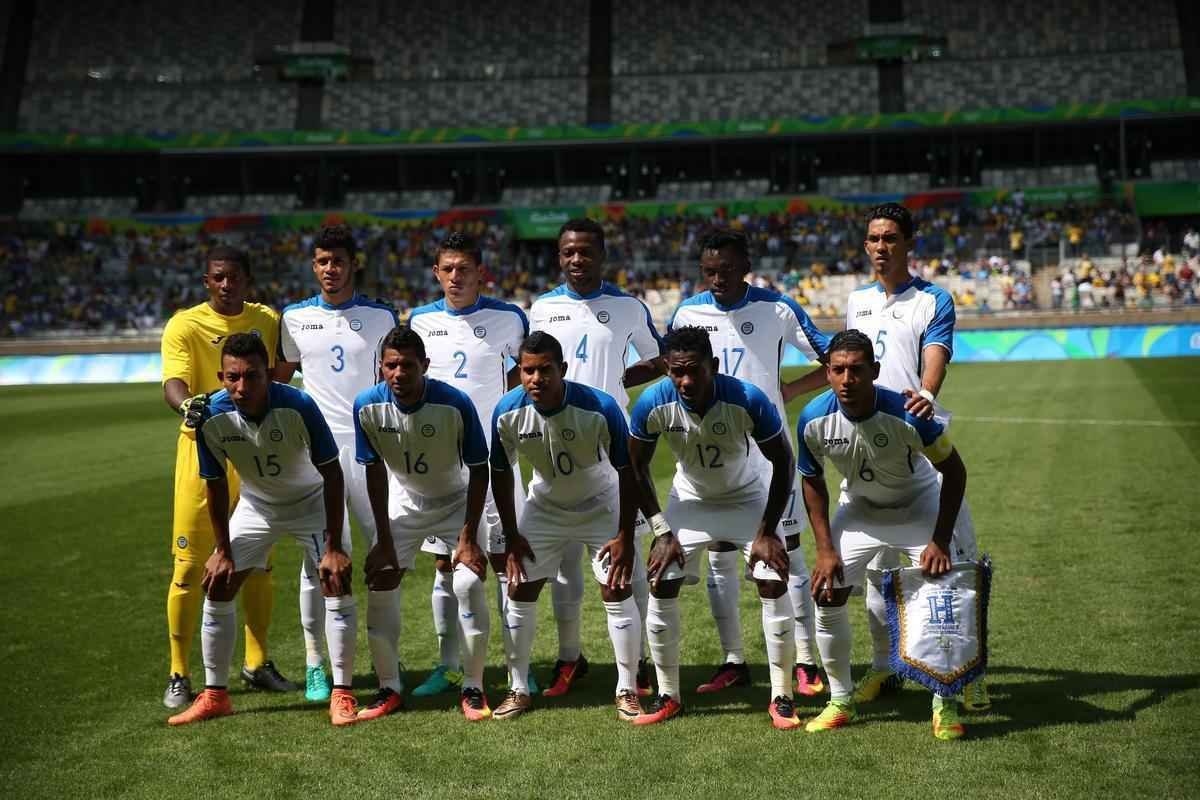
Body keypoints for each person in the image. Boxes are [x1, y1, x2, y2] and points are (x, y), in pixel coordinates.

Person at [668, 228, 829, 697]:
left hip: (768, 454)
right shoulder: (688, 313)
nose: (718, 278)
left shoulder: (778, 309)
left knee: (786, 553)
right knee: (720, 556)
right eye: (709, 271)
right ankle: (733, 660)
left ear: (746, 267)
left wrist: (791, 389)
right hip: (714, 457)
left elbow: (831, 355)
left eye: (726, 269)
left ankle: (805, 662)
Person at [167, 333, 358, 726]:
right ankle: (215, 696)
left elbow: (332, 473)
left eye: (252, 376)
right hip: (257, 506)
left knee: (335, 579)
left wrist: (333, 546)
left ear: (268, 375)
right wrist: (222, 550)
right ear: (221, 377)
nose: (242, 386)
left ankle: (342, 693)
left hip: (312, 502)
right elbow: (215, 484)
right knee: (218, 583)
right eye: (232, 377)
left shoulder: (299, 405)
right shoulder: (210, 416)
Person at [796, 330, 974, 740]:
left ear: (874, 371)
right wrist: (824, 548)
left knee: (940, 595)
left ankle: (944, 702)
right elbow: (812, 481)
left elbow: (955, 472)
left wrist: (940, 540)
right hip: (860, 512)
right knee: (827, 590)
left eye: (856, 370)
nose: (847, 379)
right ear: (827, 373)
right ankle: (840, 700)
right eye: (838, 370)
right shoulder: (813, 418)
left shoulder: (909, 414)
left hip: (917, 507)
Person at [845, 202, 987, 712]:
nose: (880, 247)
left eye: (890, 238)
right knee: (875, 574)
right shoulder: (857, 301)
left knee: (954, 565)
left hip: (920, 445)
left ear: (909, 243)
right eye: (873, 238)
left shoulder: (933, 299)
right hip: (867, 448)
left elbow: (936, 353)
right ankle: (885, 667)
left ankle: (969, 674)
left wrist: (926, 393)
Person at [628, 326, 803, 729]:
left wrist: (766, 533)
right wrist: (662, 532)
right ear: (667, 369)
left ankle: (782, 696)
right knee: (662, 579)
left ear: (715, 366)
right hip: (690, 501)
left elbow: (783, 461)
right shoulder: (653, 401)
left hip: (745, 498)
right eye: (677, 371)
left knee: (772, 577)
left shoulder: (747, 398)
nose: (686, 381)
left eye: (695, 370)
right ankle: (668, 695)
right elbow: (635, 466)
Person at [527, 218, 663, 698]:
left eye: (586, 251)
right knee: (564, 565)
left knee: (628, 558)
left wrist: (622, 379)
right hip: (553, 443)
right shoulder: (542, 308)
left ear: (602, 255)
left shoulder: (628, 307)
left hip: (612, 445)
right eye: (568, 252)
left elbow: (660, 357)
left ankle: (639, 663)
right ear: (559, 257)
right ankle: (570, 658)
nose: (577, 259)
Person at [159, 245, 292, 709]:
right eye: (218, 277)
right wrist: (188, 405)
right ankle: (179, 672)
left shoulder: (267, 321)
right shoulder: (184, 324)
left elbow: (279, 375)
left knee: (259, 563)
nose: (226, 284)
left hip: (255, 452)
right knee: (189, 568)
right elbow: (173, 384)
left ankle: (257, 662)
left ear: (247, 280)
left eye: (234, 276)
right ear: (207, 281)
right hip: (202, 452)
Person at [489, 331, 644, 721]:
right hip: (545, 506)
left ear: (563, 369)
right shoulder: (506, 411)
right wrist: (511, 534)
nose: (536, 379)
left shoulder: (600, 407)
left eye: (545, 370)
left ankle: (627, 689)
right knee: (519, 588)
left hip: (600, 504)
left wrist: (625, 535)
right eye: (527, 371)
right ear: (519, 371)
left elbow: (628, 471)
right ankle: (518, 688)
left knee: (616, 588)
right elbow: (500, 472)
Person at [273, 224, 399, 704]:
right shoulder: (294, 318)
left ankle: (388, 664)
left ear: (353, 265)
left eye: (338, 261)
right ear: (314, 266)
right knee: (319, 563)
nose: (331, 269)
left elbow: (394, 377)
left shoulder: (381, 315)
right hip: (315, 454)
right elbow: (280, 383)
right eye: (323, 262)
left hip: (370, 450)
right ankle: (315, 665)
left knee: (385, 556)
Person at [407, 231, 533, 697]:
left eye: (464, 269)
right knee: (445, 563)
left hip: (497, 459)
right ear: (436, 273)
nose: (455, 277)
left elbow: (525, 371)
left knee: (506, 560)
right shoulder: (420, 321)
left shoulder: (509, 318)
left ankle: (518, 667)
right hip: (443, 464)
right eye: (448, 269)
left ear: (481, 273)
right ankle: (448, 666)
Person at [352, 326, 493, 721]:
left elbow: (479, 469)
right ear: (381, 367)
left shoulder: (454, 403)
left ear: (425, 365)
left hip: (455, 503)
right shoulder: (366, 405)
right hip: (406, 504)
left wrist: (468, 537)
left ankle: (473, 687)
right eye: (390, 365)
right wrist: (382, 539)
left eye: (407, 366)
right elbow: (374, 472)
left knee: (466, 583)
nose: (398, 373)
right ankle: (388, 687)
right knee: (381, 579)